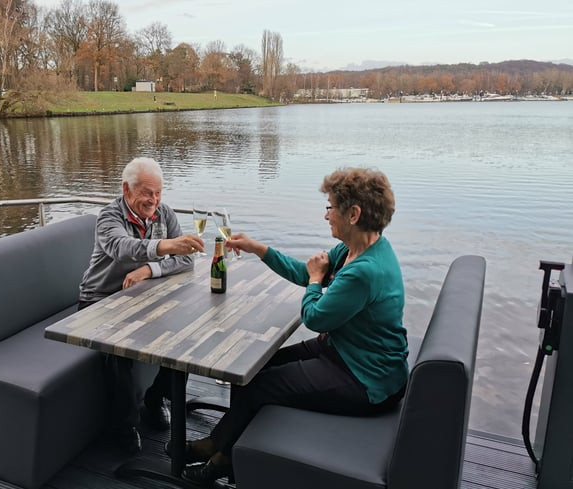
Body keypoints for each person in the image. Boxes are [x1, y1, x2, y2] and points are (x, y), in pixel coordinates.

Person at [178, 167, 409, 484]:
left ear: (353, 214)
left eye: (330, 207)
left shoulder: (365, 270)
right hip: (346, 353)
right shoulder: (355, 249)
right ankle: (226, 449)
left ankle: (220, 456)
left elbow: (314, 316)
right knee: (253, 368)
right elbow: (305, 273)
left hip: (367, 380)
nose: (326, 216)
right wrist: (259, 249)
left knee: (260, 386)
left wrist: (316, 280)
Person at [78, 157, 204, 454]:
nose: (154, 200)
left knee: (185, 331)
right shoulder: (109, 217)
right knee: (118, 351)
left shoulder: (165, 213)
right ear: (126, 189)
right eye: (147, 192)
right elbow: (122, 249)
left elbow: (186, 260)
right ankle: (124, 425)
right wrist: (165, 247)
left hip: (145, 295)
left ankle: (156, 398)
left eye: (159, 193)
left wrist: (149, 270)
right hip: (100, 300)